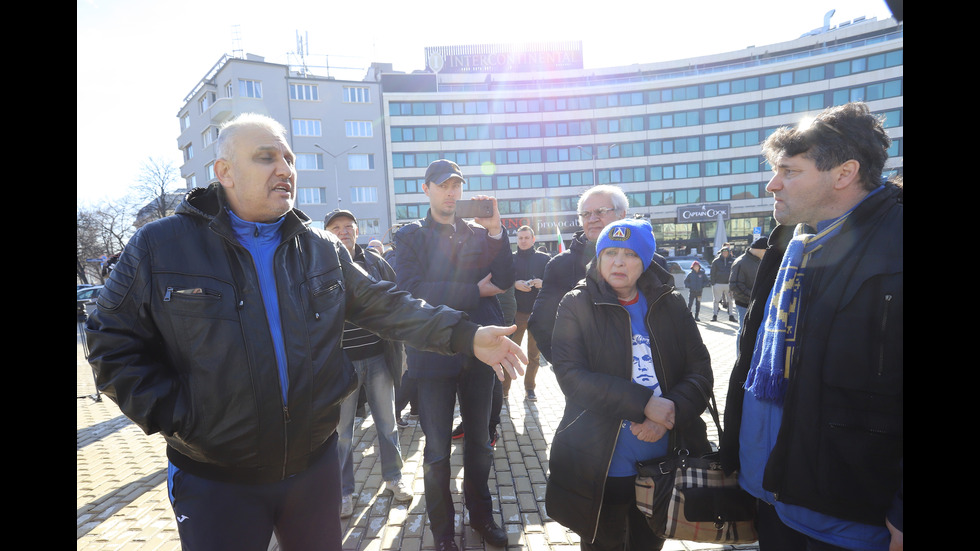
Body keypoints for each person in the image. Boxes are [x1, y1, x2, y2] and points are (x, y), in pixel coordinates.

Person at [84, 113, 526, 551]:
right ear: (224, 172)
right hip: (216, 478)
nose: (285, 169)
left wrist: (466, 335)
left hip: (313, 470)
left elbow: (387, 305)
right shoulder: (160, 246)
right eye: (265, 158)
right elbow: (109, 341)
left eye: (289, 158)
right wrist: (181, 419)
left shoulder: (320, 247)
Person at [720, 102, 903, 551]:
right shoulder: (792, 240)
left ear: (843, 173)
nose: (772, 184)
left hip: (853, 517)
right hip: (775, 496)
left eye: (790, 171)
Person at [546, 218, 713, 551]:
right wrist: (644, 404)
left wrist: (670, 412)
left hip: (664, 459)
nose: (618, 262)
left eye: (629, 254)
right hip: (601, 463)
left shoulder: (671, 302)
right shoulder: (576, 304)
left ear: (645, 260)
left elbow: (701, 370)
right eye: (609, 252)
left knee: (648, 544)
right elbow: (571, 375)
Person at [393, 159, 515, 550]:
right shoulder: (410, 236)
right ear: (426, 188)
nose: (451, 193)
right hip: (432, 354)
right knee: (437, 451)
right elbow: (412, 290)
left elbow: (505, 279)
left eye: (456, 186)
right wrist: (472, 292)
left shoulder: (476, 233)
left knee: (480, 442)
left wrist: (496, 230)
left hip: (478, 352)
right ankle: (443, 531)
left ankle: (481, 516)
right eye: (443, 185)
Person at [324, 208, 411, 516]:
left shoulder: (375, 262)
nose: (344, 231)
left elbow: (396, 299)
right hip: (341, 365)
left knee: (387, 424)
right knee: (342, 433)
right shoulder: (321, 266)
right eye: (336, 227)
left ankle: (394, 478)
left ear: (357, 231)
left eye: (349, 226)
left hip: (377, 357)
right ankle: (344, 492)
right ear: (327, 234)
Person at [528, 185, 629, 364]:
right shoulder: (560, 265)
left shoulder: (648, 262)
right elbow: (540, 323)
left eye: (601, 211)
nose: (592, 219)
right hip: (588, 382)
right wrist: (569, 369)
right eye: (586, 214)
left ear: (622, 214)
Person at [508, 225, 551, 401]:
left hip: (537, 314)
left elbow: (554, 282)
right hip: (516, 313)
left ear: (533, 239)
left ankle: (530, 388)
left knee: (534, 355)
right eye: (520, 238)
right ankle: (503, 390)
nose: (523, 241)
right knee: (509, 353)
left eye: (526, 237)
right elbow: (500, 282)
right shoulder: (510, 259)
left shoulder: (545, 259)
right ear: (516, 240)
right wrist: (514, 284)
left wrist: (543, 282)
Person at [729, 237, 767, 331]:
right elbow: (735, 286)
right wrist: (753, 296)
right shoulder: (740, 262)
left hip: (755, 302)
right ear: (761, 249)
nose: (767, 254)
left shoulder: (759, 261)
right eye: (766, 251)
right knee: (743, 330)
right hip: (743, 304)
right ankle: (740, 346)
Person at [709, 247, 735, 322]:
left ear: (729, 252)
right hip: (718, 284)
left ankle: (731, 315)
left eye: (726, 252)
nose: (725, 253)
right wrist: (713, 283)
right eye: (723, 252)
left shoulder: (733, 261)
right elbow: (712, 272)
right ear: (721, 252)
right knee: (716, 300)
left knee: (730, 300)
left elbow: (735, 272)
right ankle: (715, 315)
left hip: (729, 284)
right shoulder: (716, 261)